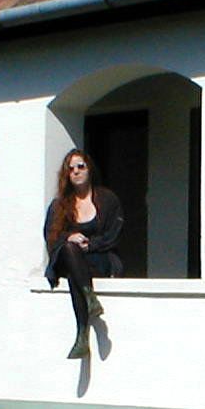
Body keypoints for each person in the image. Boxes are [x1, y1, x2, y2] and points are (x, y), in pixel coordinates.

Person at [44, 150, 123, 359]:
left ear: (89, 170)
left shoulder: (107, 199)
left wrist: (91, 245)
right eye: (71, 169)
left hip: (99, 257)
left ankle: (81, 335)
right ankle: (89, 298)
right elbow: (51, 237)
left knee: (75, 273)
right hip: (69, 258)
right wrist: (69, 237)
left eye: (81, 167)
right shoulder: (60, 204)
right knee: (70, 251)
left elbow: (115, 233)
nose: (76, 172)